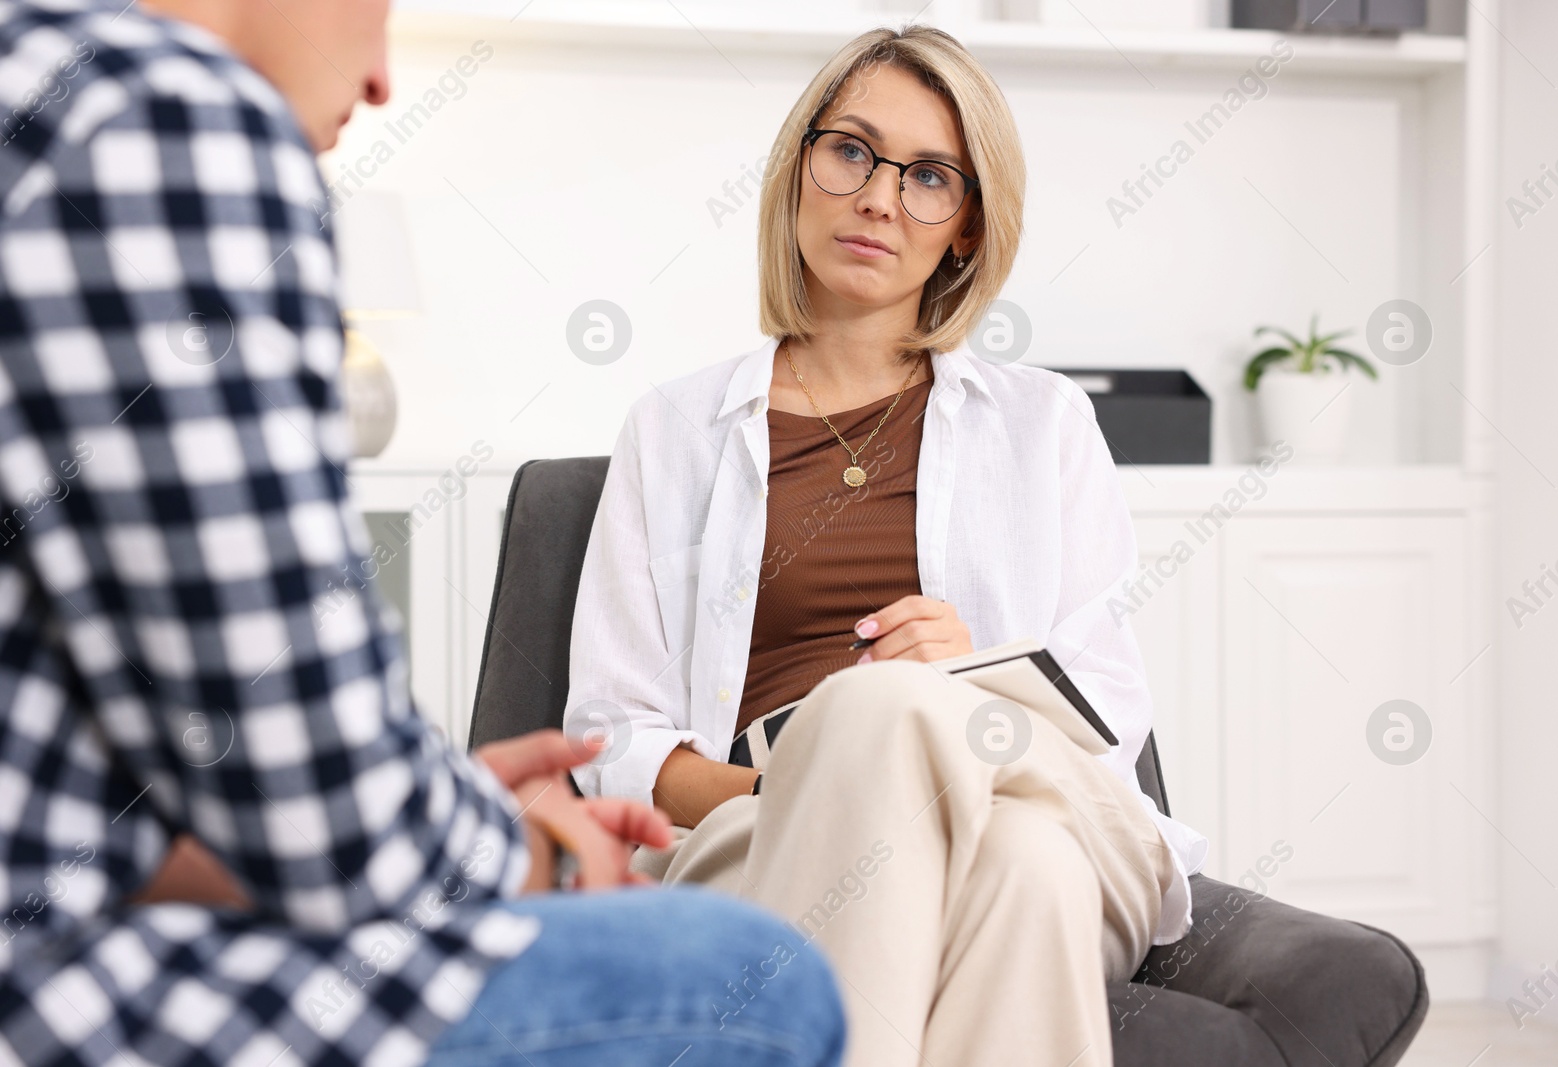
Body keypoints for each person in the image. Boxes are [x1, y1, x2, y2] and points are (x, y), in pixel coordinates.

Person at [0, 1, 845, 1065]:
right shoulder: (162, 117)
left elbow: (88, 809)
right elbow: (305, 779)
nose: (385, 78)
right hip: (51, 985)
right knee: (746, 979)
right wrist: (526, 852)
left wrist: (424, 809)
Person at [564, 24, 1212, 1067]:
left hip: (1042, 791)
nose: (878, 198)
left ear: (964, 227)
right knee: (1019, 861)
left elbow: (1104, 715)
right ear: (800, 168)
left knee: (906, 713)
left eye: (929, 177)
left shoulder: (1044, 423)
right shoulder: (673, 429)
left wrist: (955, 684)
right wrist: (842, 770)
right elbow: (615, 735)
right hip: (760, 835)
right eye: (852, 152)